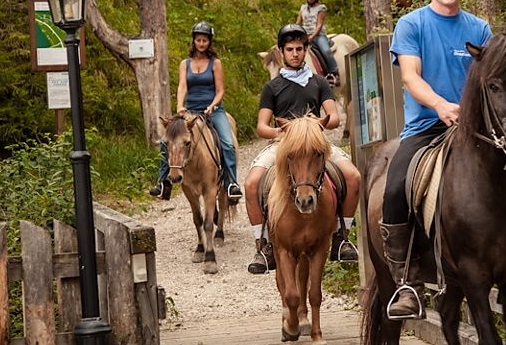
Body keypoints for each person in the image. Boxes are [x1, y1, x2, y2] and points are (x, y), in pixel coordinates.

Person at [381, 0, 506, 319]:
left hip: (479, 132)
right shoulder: (411, 25)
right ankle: (407, 282)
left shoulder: (479, 29)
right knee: (395, 185)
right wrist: (442, 106)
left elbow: (501, 79)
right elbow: (411, 76)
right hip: (426, 127)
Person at [243, 23, 360, 273]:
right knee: (252, 183)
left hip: (315, 141)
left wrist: (314, 126)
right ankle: (263, 243)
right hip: (283, 144)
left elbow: (334, 117)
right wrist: (283, 132)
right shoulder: (272, 87)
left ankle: (342, 236)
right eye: (290, 49)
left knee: (353, 175)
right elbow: (262, 126)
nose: (295, 54)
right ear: (282, 52)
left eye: (299, 49)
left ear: (305, 50)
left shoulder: (318, 82)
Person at [149, 21, 242, 203]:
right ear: (194, 41)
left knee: (228, 143)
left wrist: (213, 105)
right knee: (164, 141)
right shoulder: (185, 63)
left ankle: (231, 183)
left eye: (205, 40)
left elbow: (220, 90)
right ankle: (162, 183)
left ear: (209, 42)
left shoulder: (216, 63)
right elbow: (183, 86)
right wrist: (179, 105)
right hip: (190, 110)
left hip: (212, 110)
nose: (201, 43)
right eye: (198, 40)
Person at [295, 0, 341, 86]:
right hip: (304, 36)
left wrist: (311, 37)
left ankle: (335, 73)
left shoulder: (321, 8)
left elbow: (319, 25)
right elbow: (298, 23)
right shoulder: (303, 8)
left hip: (318, 36)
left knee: (326, 51)